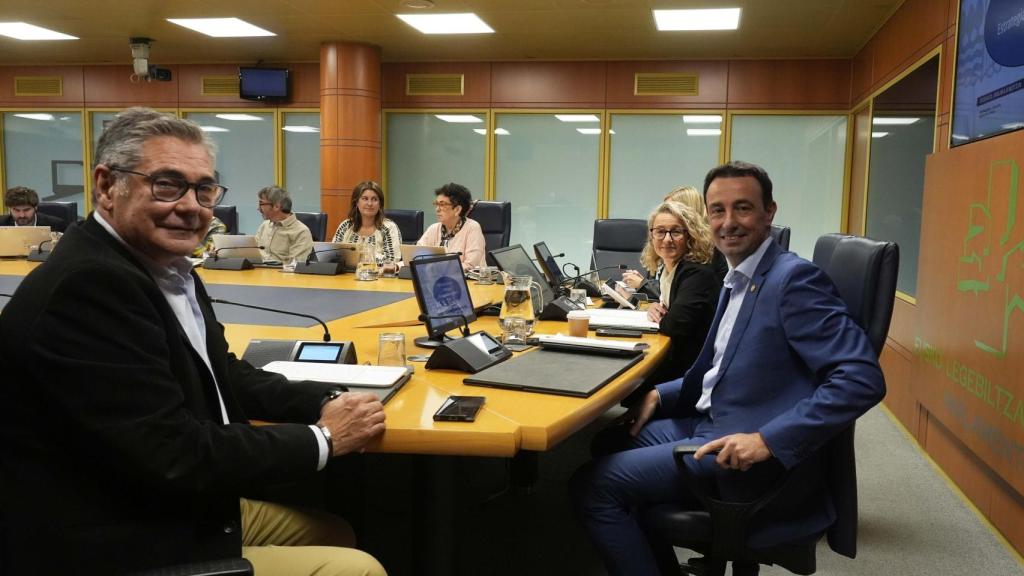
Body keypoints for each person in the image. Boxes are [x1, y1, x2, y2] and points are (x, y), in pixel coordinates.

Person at [0, 107, 387, 576]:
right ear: (106, 187)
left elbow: (224, 373)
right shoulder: (88, 287)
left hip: (161, 498)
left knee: (333, 531)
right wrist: (323, 438)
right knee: (358, 568)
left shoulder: (165, 268)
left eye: (204, 190)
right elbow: (175, 453)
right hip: (115, 534)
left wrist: (328, 400)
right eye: (166, 185)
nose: (191, 206)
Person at [571, 161, 886, 575]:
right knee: (610, 442)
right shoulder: (741, 275)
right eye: (717, 210)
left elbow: (861, 378)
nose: (728, 221)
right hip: (712, 418)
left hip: (735, 444)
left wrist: (769, 439)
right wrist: (658, 394)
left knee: (592, 488)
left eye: (743, 208)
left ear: (769, 212)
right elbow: (722, 368)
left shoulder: (793, 281)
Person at [630, 200, 722, 389]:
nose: (667, 239)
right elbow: (667, 310)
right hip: (675, 360)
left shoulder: (697, 274)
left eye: (676, 232)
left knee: (628, 381)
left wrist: (664, 316)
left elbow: (673, 326)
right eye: (660, 231)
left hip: (691, 374)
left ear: (691, 236)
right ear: (651, 235)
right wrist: (655, 308)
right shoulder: (668, 269)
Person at [621, 185, 727, 301]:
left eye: (671, 208)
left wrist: (643, 284)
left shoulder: (705, 251)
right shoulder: (672, 249)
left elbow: (682, 291)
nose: (665, 212)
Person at [416, 182, 486, 270]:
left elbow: (471, 265)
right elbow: (416, 256)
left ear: (457, 209)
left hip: (467, 278)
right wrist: (399, 265)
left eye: (442, 205)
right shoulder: (433, 229)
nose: (437, 209)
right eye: (437, 204)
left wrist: (437, 267)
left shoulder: (472, 228)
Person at [331, 180, 402, 264]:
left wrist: (361, 257)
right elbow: (333, 255)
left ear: (380, 204)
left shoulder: (389, 228)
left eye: (374, 199)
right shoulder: (345, 226)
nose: (369, 203)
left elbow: (393, 260)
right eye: (365, 199)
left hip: (379, 272)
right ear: (356, 202)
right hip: (346, 272)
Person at [255, 185, 314, 263]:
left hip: (281, 271)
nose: (258, 208)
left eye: (261, 204)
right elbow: (254, 252)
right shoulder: (264, 226)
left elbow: (294, 264)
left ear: (276, 206)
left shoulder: (301, 232)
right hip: (258, 269)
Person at [1, 186, 69, 231]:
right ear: (9, 208)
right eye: (16, 210)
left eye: (27, 210)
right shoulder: (1, 223)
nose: (22, 215)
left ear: (36, 207)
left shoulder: (56, 225)